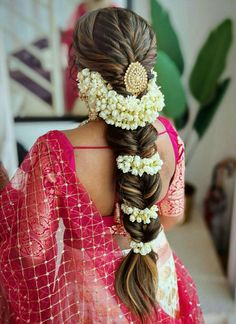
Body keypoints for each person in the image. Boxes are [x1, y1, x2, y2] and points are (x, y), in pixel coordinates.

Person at [0, 8, 204, 323]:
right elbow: (172, 217)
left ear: (81, 75)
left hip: (89, 297)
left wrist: (7, 193)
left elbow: (30, 250)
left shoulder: (55, 150)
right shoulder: (168, 134)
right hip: (155, 276)